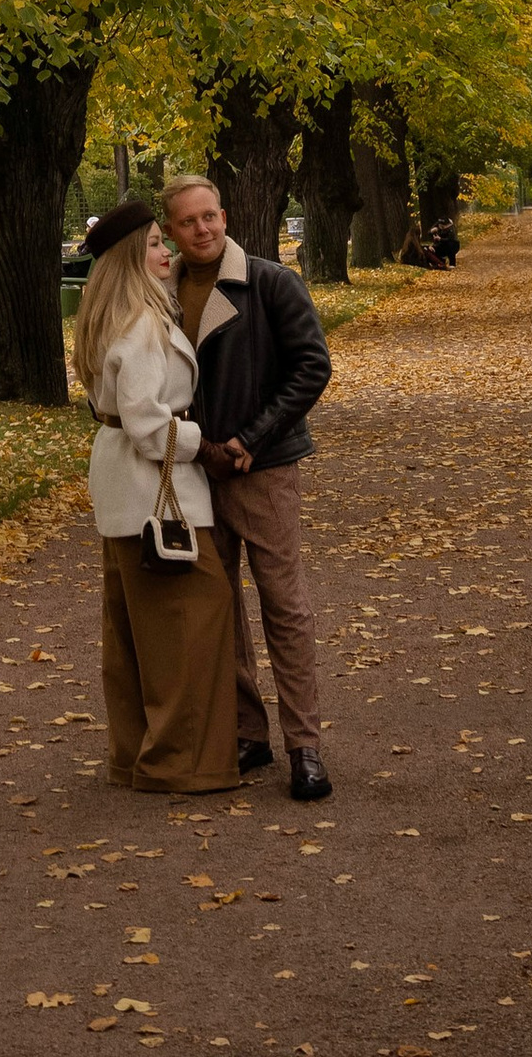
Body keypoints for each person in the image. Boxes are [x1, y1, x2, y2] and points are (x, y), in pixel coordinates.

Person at [163, 172, 334, 803]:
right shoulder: (162, 289)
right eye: (187, 221)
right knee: (219, 607)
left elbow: (312, 366)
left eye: (210, 216)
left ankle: (304, 746)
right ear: (172, 229)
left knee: (283, 604)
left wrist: (252, 440)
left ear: (225, 216)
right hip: (193, 468)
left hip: (261, 468)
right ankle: (246, 732)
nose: (202, 229)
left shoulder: (269, 281)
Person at [73, 195, 240, 796]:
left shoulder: (109, 319)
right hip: (155, 493)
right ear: (128, 257)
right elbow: (148, 425)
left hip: (124, 493)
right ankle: (180, 763)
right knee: (190, 624)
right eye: (153, 244)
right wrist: (207, 444)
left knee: (133, 636)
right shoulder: (141, 326)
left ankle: (136, 755)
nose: (166, 250)